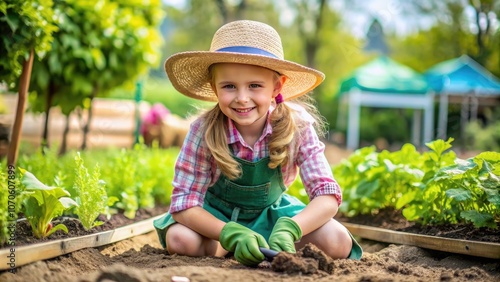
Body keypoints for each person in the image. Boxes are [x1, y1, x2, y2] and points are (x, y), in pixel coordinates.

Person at [153, 20, 362, 267]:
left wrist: (292, 228)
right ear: (214, 88)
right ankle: (226, 246)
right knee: (180, 240)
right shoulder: (203, 130)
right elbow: (184, 204)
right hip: (216, 220)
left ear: (277, 86)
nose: (242, 99)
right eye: (229, 86)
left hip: (273, 218)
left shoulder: (298, 127)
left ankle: (269, 244)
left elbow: (327, 195)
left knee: (337, 240)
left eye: (255, 86)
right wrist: (228, 233)